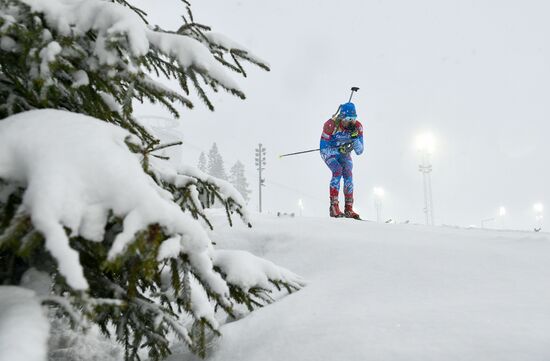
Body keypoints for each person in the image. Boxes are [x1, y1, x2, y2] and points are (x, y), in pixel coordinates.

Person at [319, 102, 364, 218]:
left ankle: (349, 208)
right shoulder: (331, 125)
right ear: (342, 117)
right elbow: (323, 148)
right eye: (349, 118)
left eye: (354, 118)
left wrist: (354, 139)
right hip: (330, 152)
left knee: (348, 174)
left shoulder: (357, 127)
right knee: (337, 170)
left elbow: (359, 151)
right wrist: (339, 150)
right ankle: (334, 207)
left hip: (344, 154)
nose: (352, 122)